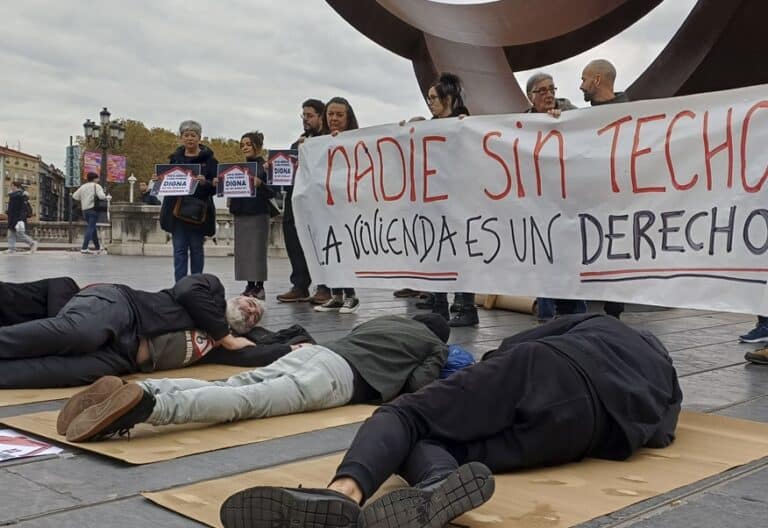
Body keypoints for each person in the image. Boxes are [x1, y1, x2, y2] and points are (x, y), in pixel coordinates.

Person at [220, 314, 682, 528]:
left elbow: (521, 343)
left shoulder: (603, 323)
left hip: (543, 370)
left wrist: (487, 377)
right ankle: (438, 480)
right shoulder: (665, 377)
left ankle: (342, 493)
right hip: (586, 432)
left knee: (406, 415)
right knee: (455, 451)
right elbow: (661, 433)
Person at [60, 313, 450, 443]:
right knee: (245, 403)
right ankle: (149, 406)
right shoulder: (434, 344)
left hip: (314, 353)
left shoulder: (387, 319)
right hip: (337, 379)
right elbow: (420, 386)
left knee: (232, 386)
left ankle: (138, 388)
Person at [0, 274, 259, 388]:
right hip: (121, 308)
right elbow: (187, 291)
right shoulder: (213, 290)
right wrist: (225, 337)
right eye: (251, 303)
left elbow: (261, 352)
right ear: (240, 296)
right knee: (80, 334)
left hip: (124, 359)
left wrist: (285, 346)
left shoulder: (219, 343)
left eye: (255, 316)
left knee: (61, 372)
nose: (251, 310)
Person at [522, 72, 586, 321]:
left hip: (568, 201)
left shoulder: (570, 114)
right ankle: (547, 318)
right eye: (542, 91)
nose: (549, 95)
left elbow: (589, 130)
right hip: (538, 203)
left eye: (552, 89)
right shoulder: (520, 124)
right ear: (530, 97)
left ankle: (576, 317)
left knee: (570, 259)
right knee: (544, 258)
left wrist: (565, 122)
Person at [420, 73, 479, 327]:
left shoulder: (466, 124)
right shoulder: (429, 127)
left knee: (461, 254)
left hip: (460, 201)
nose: (430, 103)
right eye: (428, 98)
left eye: (434, 98)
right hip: (435, 202)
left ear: (448, 98)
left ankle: (467, 307)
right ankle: (439, 306)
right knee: (436, 253)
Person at [580, 59, 629, 319]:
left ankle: (613, 315)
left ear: (597, 80)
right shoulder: (580, 119)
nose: (581, 86)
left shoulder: (634, 115)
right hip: (590, 204)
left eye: (584, 79)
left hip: (621, 205)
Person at [277, 99, 329, 304]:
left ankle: (325, 286)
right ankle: (300, 284)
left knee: (320, 242)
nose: (305, 120)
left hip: (319, 199)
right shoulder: (297, 144)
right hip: (296, 198)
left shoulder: (328, 140)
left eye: (309, 116)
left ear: (321, 116)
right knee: (293, 239)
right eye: (303, 116)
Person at [313, 97, 361, 314]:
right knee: (329, 250)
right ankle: (337, 294)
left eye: (339, 115)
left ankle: (351, 295)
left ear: (348, 117)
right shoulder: (318, 141)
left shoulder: (356, 140)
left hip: (346, 203)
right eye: (330, 114)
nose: (334, 118)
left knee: (344, 249)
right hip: (325, 204)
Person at [159, 120, 218, 282]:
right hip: (176, 211)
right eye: (186, 135)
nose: (189, 138)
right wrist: (159, 180)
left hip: (198, 212)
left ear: (199, 137)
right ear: (181, 138)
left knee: (197, 250)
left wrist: (205, 182)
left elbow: (217, 187)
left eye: (193, 135)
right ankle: (180, 286)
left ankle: (196, 285)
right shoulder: (174, 160)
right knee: (179, 251)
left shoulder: (211, 161)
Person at [229, 132, 272, 300]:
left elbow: (273, 192)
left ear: (257, 146)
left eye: (248, 144)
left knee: (257, 251)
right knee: (243, 252)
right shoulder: (238, 168)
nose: (245, 147)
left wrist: (261, 184)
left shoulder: (265, 166)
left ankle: (259, 286)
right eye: (242, 145)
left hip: (258, 212)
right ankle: (249, 284)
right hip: (241, 212)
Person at [71, 172, 107, 254]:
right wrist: (106, 196)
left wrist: (84, 198)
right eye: (97, 178)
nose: (98, 179)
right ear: (94, 179)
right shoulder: (97, 186)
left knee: (93, 228)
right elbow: (101, 196)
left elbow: (75, 196)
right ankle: (84, 248)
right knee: (90, 228)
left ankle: (97, 248)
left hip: (84, 210)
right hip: (93, 209)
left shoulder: (83, 187)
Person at [3, 181, 38, 254]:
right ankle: (11, 248)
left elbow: (23, 208)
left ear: (15, 186)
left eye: (12, 186)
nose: (11, 187)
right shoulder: (12, 195)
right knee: (10, 234)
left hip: (18, 218)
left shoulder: (22, 195)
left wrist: (21, 219)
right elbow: (12, 207)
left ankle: (32, 243)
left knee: (20, 234)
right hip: (12, 217)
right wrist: (8, 212)